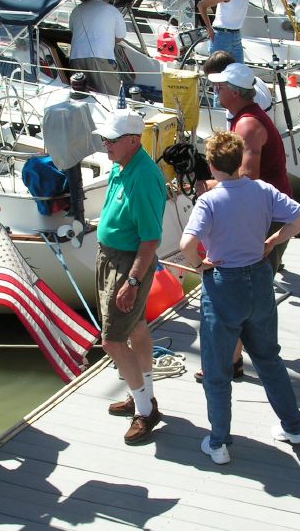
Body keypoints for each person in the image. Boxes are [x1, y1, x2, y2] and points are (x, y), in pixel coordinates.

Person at [180, 131, 300, 465]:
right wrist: (271, 242)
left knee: (217, 369)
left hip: (224, 284)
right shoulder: (262, 190)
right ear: (239, 161)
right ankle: (294, 428)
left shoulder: (209, 201)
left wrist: (200, 264)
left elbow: (185, 246)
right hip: (259, 277)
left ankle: (219, 442)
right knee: (269, 359)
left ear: (211, 164)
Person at [195, 61, 291, 382]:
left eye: (220, 87)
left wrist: (203, 186)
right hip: (262, 215)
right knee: (247, 291)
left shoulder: (247, 125)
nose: (215, 90)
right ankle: (234, 360)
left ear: (234, 93)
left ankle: (250, 359)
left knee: (244, 291)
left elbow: (247, 177)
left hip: (265, 220)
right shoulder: (244, 118)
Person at [94, 109, 167, 445]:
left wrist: (133, 281)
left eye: (111, 139)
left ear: (133, 141)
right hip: (109, 257)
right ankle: (144, 395)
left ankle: (144, 410)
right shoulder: (120, 166)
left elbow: (151, 238)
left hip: (127, 264)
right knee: (136, 327)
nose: (105, 143)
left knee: (111, 340)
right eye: (105, 138)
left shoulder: (144, 177)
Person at [198, 0, 266, 64]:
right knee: (218, 71)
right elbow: (202, 5)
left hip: (236, 36)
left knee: (239, 70)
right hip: (221, 36)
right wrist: (209, 27)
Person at [69, 0, 126, 96]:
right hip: (101, 56)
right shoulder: (111, 10)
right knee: (112, 94)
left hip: (76, 56)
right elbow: (120, 37)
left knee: (80, 93)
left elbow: (73, 31)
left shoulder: (77, 9)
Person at [202, 50, 273, 129]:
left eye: (218, 85)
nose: (215, 89)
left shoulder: (239, 112)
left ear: (235, 92)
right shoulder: (254, 81)